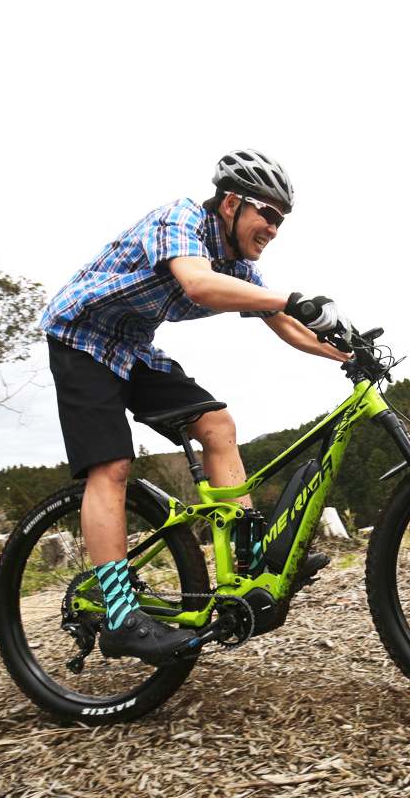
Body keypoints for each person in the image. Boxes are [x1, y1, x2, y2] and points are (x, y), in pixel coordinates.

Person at [39, 149, 351, 664]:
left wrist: (342, 347)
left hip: (132, 346)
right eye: (267, 215)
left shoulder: (238, 265)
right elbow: (198, 284)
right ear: (231, 203)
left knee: (217, 426)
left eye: (281, 220)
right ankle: (118, 614)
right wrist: (288, 297)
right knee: (112, 466)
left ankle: (250, 573)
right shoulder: (180, 218)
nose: (274, 228)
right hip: (80, 336)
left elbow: (287, 324)